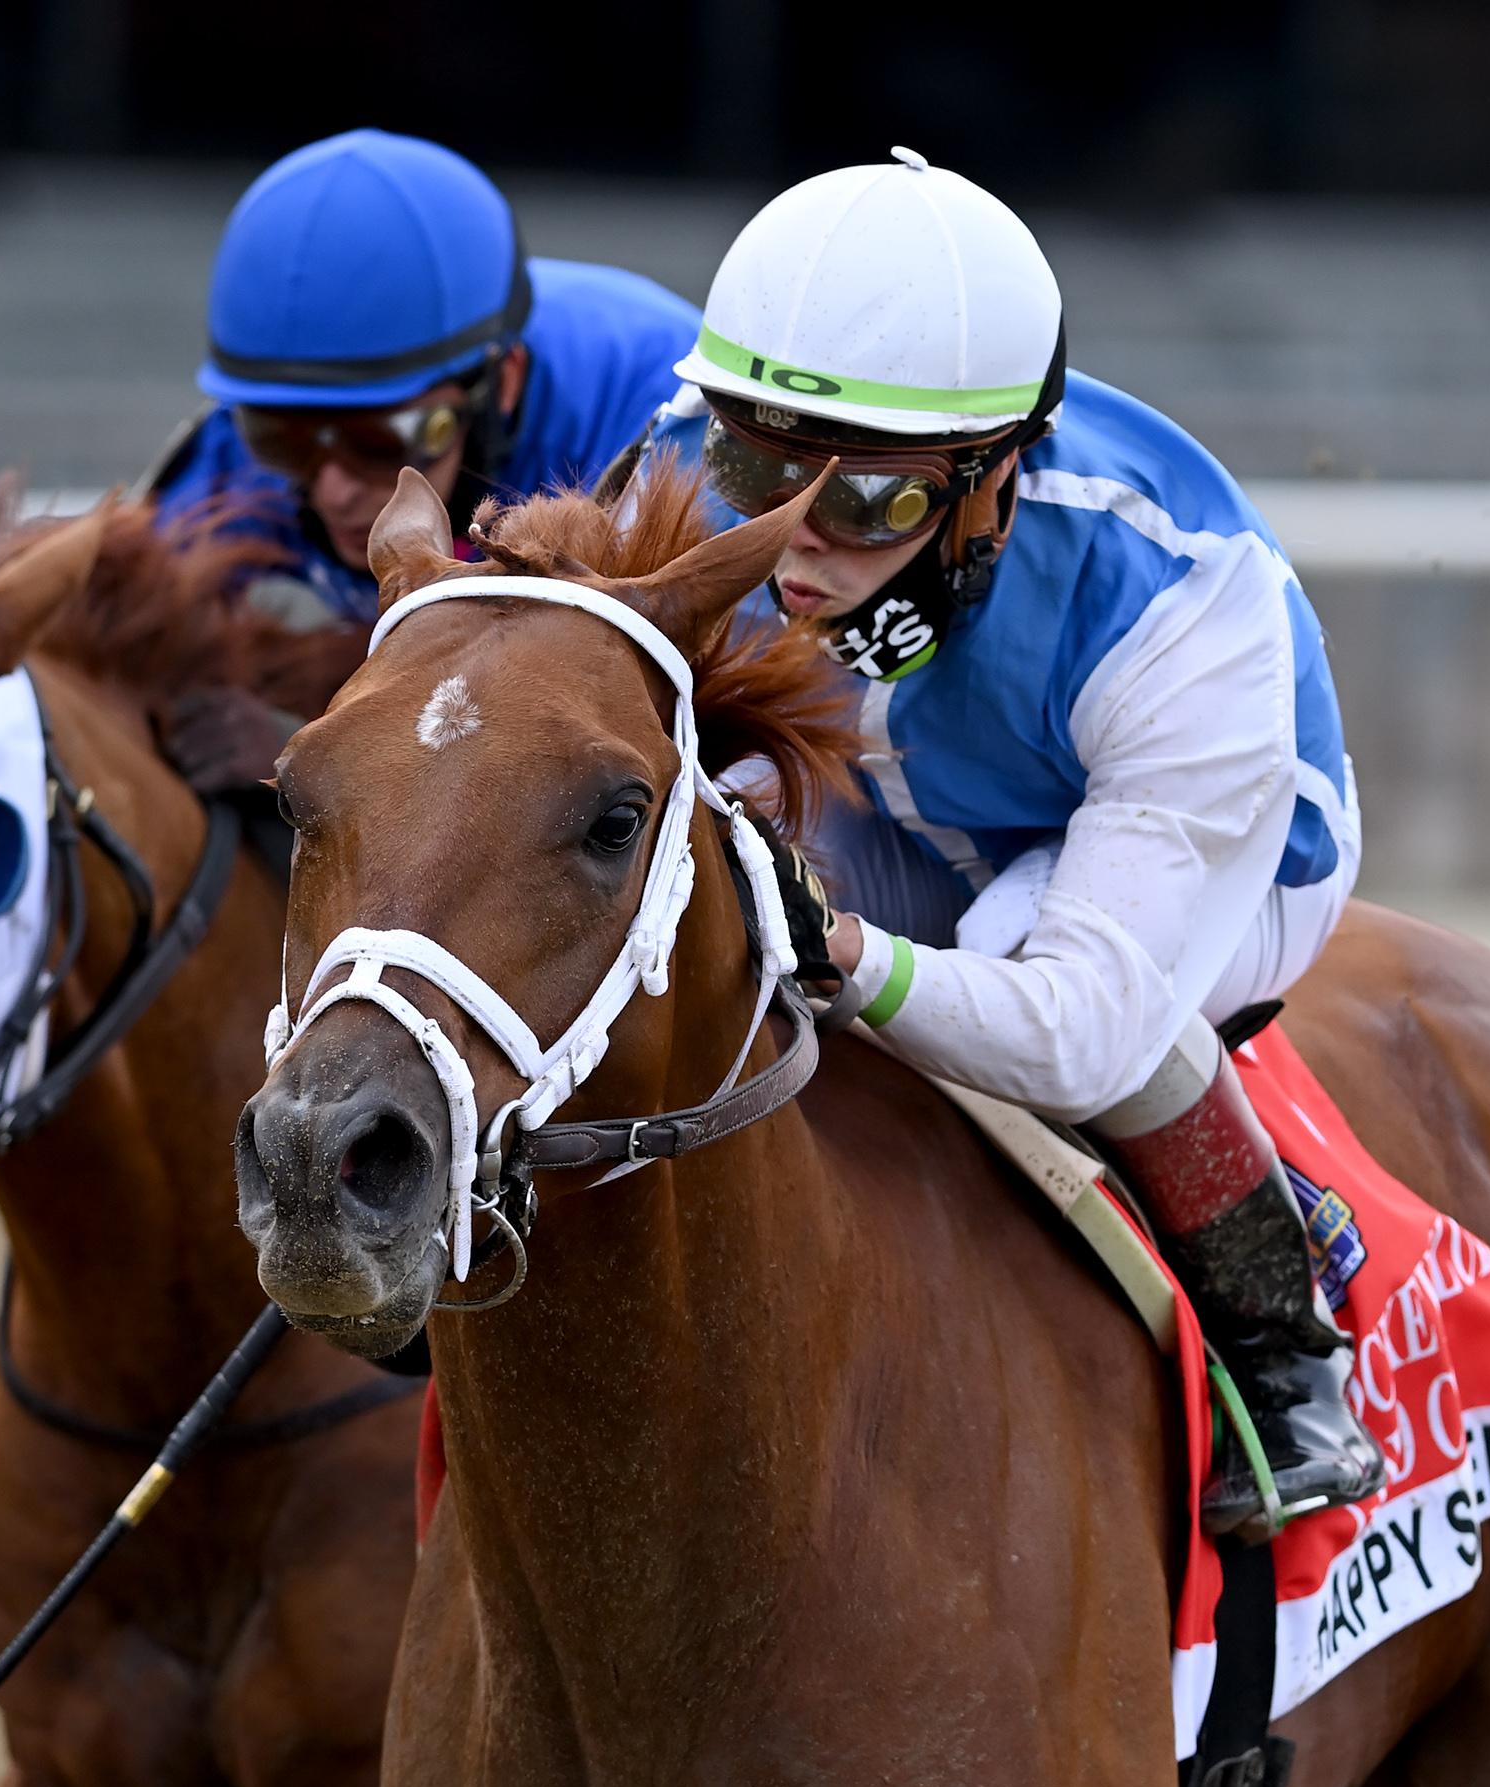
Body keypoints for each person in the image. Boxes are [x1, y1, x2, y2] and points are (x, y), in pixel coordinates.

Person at [651, 149, 1382, 1530]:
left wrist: (848, 954)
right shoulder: (687, 467)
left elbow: (1081, 1034)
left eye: (864, 502)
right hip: (901, 795)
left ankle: (1281, 1341)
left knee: (1008, 946)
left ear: (991, 478)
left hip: (1234, 860)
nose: (793, 547)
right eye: (758, 468)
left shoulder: (1177, 597)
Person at [145, 126, 698, 761]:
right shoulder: (246, 435)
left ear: (501, 383)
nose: (334, 491)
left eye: (381, 441)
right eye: (283, 440)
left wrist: (309, 721)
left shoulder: (667, 424)